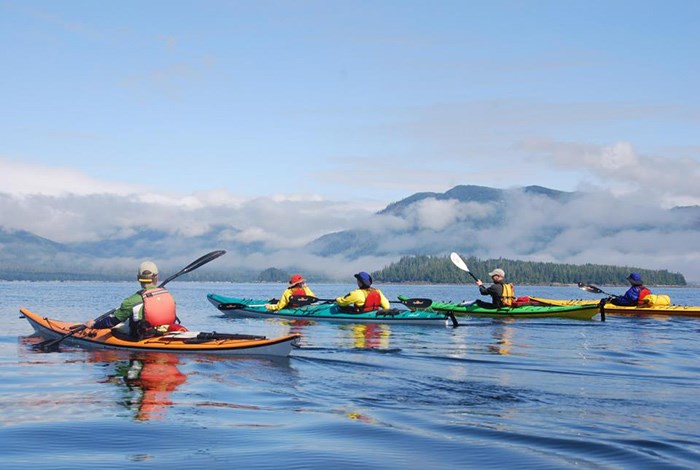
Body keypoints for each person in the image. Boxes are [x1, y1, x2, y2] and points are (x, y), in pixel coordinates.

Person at [85, 261, 185, 340]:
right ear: (156, 278)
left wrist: (94, 324)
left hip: (142, 336)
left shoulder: (131, 301)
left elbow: (111, 322)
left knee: (116, 328)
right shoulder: (169, 296)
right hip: (164, 332)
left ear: (138, 278)